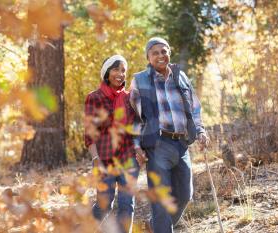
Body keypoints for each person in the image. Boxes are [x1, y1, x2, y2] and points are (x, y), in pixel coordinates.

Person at [130, 37, 209, 233]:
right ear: (148, 57)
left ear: (169, 53)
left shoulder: (180, 77)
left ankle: (154, 227)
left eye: (164, 51)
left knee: (184, 195)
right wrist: (136, 145)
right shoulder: (139, 80)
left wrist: (200, 130)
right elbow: (134, 117)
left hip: (181, 144)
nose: (160, 56)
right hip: (157, 145)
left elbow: (194, 108)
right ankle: (161, 227)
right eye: (155, 52)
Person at [84, 55, 139, 233]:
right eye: (116, 69)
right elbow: (90, 133)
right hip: (105, 160)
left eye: (123, 70)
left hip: (128, 159)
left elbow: (137, 127)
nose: (120, 74)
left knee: (126, 205)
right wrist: (95, 158)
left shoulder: (130, 97)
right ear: (107, 72)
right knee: (104, 206)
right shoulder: (94, 97)